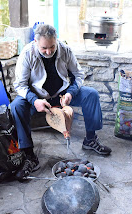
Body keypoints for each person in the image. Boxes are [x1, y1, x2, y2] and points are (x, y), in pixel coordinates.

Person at [10, 24, 112, 180]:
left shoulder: (65, 50)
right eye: (44, 48)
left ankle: (90, 139)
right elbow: (20, 85)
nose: (49, 51)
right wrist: (34, 100)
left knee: (91, 94)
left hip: (61, 94)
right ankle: (29, 155)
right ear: (36, 42)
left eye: (52, 46)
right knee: (17, 106)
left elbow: (78, 75)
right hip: (37, 96)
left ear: (56, 40)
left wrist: (70, 93)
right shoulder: (27, 53)